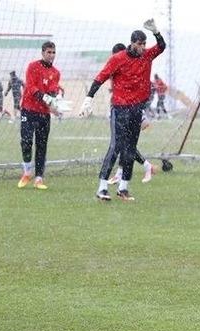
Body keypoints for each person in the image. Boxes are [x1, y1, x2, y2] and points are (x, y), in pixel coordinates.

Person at [79, 19, 166, 202]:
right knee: (116, 146)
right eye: (139, 44)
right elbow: (100, 77)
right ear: (132, 42)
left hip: (136, 109)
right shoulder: (118, 58)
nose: (142, 47)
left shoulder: (147, 56)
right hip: (120, 109)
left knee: (130, 148)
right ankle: (102, 187)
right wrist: (89, 98)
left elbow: (162, 46)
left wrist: (156, 32)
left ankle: (123, 188)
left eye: (144, 44)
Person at [103, 43, 157, 185]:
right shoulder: (116, 65)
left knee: (123, 144)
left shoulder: (133, 64)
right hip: (123, 108)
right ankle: (136, 169)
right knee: (124, 144)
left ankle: (135, 170)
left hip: (131, 109)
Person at [17, 41, 62, 190]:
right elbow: (31, 88)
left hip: (44, 113)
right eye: (49, 52)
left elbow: (52, 91)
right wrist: (49, 100)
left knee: (42, 145)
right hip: (28, 110)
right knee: (26, 141)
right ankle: (27, 172)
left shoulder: (56, 73)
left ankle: (39, 178)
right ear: (42, 53)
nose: (51, 55)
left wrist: (56, 104)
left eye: (53, 52)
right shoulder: (33, 67)